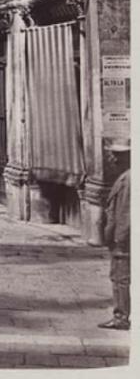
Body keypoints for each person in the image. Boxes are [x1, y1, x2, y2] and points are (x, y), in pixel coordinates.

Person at [100, 141, 130, 330]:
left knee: (120, 279)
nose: (113, 159)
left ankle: (121, 317)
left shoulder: (128, 180)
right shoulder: (125, 177)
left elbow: (126, 213)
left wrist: (119, 239)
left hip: (124, 241)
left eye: (117, 155)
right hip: (124, 238)